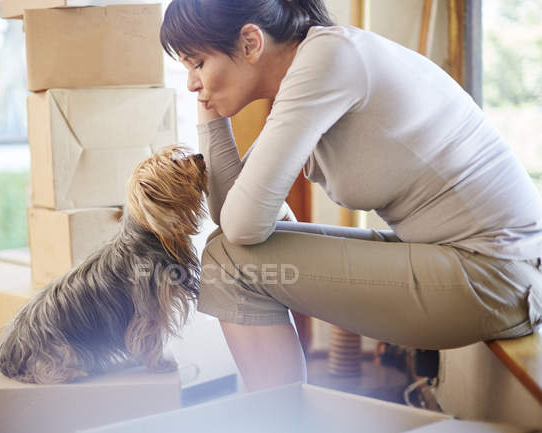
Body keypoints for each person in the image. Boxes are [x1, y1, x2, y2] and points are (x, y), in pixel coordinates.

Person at [159, 0, 542, 392]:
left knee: (227, 262)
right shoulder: (309, 72)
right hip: (472, 263)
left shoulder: (326, 60)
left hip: (496, 273)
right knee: (225, 254)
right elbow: (231, 217)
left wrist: (212, 113)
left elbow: (242, 228)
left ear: (250, 43)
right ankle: (280, 417)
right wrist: (212, 115)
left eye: (198, 63)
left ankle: (281, 422)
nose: (191, 83)